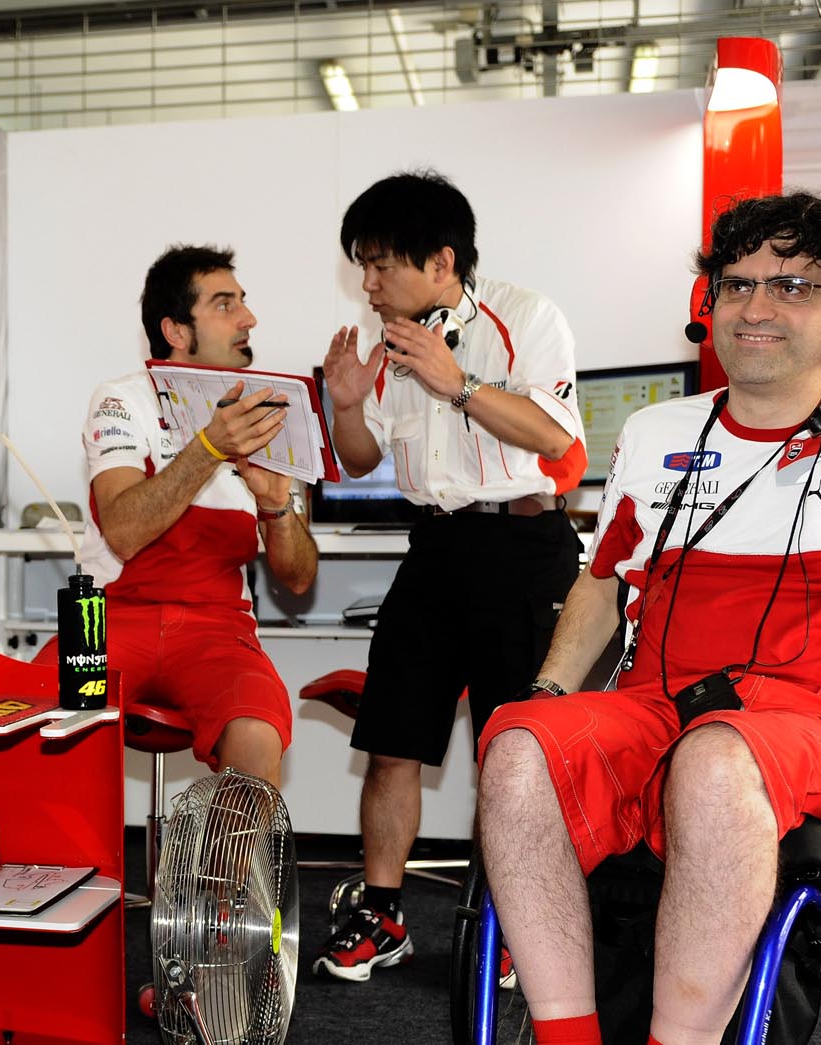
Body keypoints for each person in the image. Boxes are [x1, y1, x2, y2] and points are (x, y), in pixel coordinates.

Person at [477, 195, 821, 1045]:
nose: (757, 306)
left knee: (712, 757)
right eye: (737, 284)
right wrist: (550, 690)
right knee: (516, 745)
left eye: (794, 286)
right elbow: (603, 582)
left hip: (813, 719)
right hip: (654, 705)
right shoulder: (652, 431)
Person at [315, 170, 585, 981]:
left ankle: (511, 923)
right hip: (433, 548)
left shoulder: (526, 317)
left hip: (523, 546)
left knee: (511, 753)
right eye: (362, 265)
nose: (368, 284)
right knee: (391, 739)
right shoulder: (386, 344)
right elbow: (360, 460)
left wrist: (457, 383)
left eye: (380, 265)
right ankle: (382, 914)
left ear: (440, 261)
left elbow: (553, 436)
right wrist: (347, 406)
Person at [78, 244, 318, 785]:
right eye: (225, 305)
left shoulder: (267, 413)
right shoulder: (120, 399)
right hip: (110, 617)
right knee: (39, 721)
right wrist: (209, 448)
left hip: (217, 626)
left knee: (258, 735)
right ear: (176, 331)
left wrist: (275, 505)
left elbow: (300, 578)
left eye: (243, 302)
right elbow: (123, 531)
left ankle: (220, 848)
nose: (248, 319)